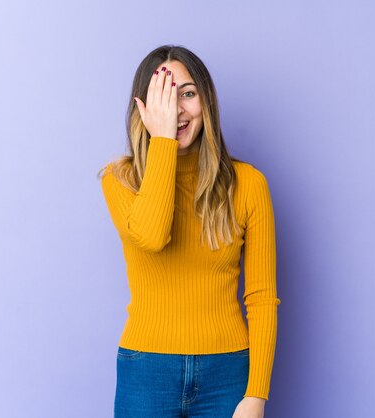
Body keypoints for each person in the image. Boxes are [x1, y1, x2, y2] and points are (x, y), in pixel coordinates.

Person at [97, 44, 281, 418]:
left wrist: (256, 395)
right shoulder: (122, 180)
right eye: (163, 97)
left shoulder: (249, 184)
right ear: (143, 109)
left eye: (187, 94)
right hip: (146, 371)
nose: (177, 110)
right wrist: (163, 140)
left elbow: (262, 299)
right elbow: (152, 236)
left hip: (228, 372)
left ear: (206, 101)